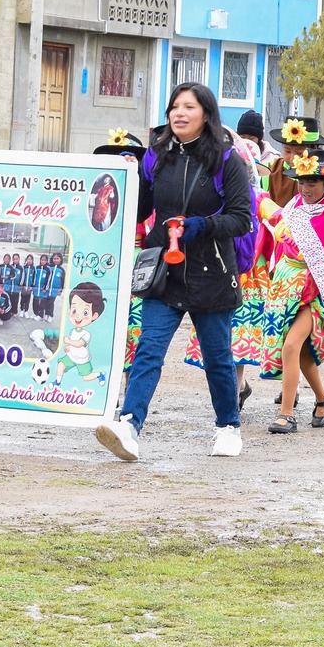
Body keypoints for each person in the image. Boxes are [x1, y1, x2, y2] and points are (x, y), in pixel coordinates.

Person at [95, 81, 256, 463]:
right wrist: (119, 184)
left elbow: (241, 219)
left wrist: (199, 226)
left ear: (207, 114)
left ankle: (228, 427)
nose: (179, 114)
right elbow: (140, 207)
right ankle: (129, 427)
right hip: (163, 273)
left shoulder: (227, 161)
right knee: (149, 349)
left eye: (189, 107)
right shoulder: (156, 155)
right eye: (174, 107)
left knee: (217, 357)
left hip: (211, 272)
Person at [261, 154, 324, 433]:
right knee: (303, 355)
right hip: (288, 289)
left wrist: (264, 205)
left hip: (314, 294)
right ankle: (323, 398)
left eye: (312, 183)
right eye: (302, 182)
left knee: (291, 346)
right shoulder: (296, 206)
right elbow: (281, 231)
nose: (305, 189)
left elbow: (304, 248)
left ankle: (286, 414)